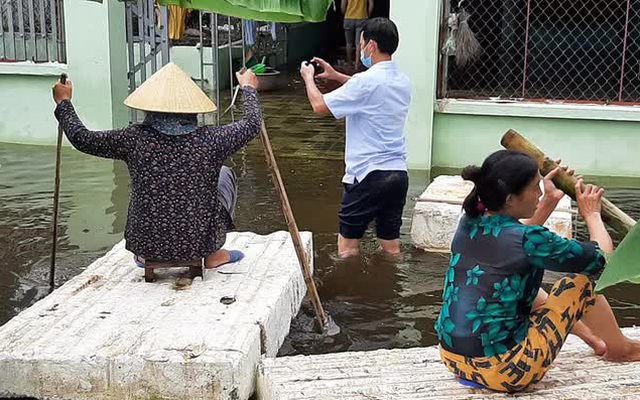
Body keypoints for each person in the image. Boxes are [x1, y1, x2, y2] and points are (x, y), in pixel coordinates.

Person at [435, 150, 640, 393]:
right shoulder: (528, 239)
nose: (539, 193)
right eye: (535, 187)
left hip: (454, 360)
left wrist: (549, 202)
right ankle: (621, 350)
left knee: (524, 288)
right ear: (510, 198)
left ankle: (594, 340)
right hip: (506, 371)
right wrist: (592, 214)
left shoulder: (470, 220)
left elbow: (513, 246)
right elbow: (600, 258)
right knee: (580, 282)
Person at [52, 63, 262, 270]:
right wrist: (248, 88)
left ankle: (145, 256)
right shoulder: (211, 139)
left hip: (148, 245)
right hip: (198, 242)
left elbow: (82, 138)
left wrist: (64, 103)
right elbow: (252, 124)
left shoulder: (132, 139)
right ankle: (213, 253)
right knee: (224, 174)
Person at [300, 17, 411, 258]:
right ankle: (390, 291)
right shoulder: (402, 80)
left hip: (367, 175)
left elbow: (319, 106)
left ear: (371, 45)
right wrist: (337, 76)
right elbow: (370, 89)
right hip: (397, 175)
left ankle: (350, 295)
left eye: (361, 44)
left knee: (348, 248)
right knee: (391, 247)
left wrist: (308, 78)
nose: (360, 48)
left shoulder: (366, 82)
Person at [341, 0, 374, 68]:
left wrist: (345, 14)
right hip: (362, 17)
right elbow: (371, 4)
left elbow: (342, 6)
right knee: (358, 43)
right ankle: (357, 64)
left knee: (348, 43)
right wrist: (368, 15)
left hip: (348, 17)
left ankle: (349, 63)